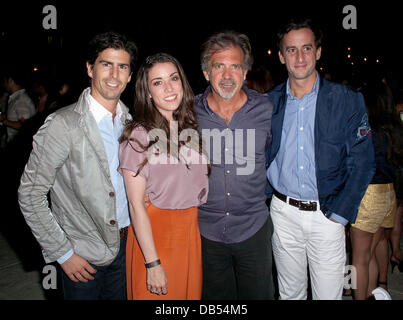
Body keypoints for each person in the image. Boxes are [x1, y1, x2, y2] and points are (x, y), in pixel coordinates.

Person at [18, 31, 137, 300]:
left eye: (122, 66)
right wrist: (62, 252)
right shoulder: (63, 125)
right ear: (89, 68)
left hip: (127, 247)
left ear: (130, 75)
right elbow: (30, 193)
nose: (114, 74)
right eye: (106, 64)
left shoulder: (129, 121)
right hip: (83, 256)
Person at [266, 18, 375, 300]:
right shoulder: (268, 103)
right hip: (283, 213)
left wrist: (339, 215)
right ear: (281, 56)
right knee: (290, 294)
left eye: (306, 48)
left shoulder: (346, 100)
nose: (299, 57)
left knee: (328, 296)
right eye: (291, 50)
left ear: (318, 52)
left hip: (327, 214)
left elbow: (363, 163)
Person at [119, 53, 209, 300]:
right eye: (158, 82)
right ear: (147, 92)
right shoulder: (138, 136)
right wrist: (152, 264)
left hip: (189, 234)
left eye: (173, 78)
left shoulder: (189, 127)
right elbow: (135, 205)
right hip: (156, 239)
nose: (169, 88)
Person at [195, 30, 274, 300]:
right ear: (206, 72)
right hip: (205, 232)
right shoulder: (188, 113)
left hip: (253, 229)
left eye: (235, 66)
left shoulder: (266, 109)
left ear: (245, 71)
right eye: (219, 66)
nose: (227, 76)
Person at [349, 80, 403, 299]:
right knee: (369, 254)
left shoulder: (367, 130)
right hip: (387, 194)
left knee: (359, 258)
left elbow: (356, 165)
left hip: (367, 194)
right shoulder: (395, 128)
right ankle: (372, 294)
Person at [0, 69, 36, 144]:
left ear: (10, 80)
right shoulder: (17, 97)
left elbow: (24, 126)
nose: (3, 84)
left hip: (19, 146)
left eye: (4, 81)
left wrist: (3, 121)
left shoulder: (21, 99)